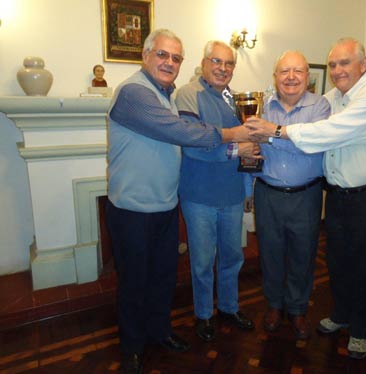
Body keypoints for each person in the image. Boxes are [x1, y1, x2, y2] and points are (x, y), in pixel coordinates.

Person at [106, 29, 252, 374]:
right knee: (133, 282)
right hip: (131, 209)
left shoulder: (167, 94)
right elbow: (182, 134)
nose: (169, 62)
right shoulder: (133, 93)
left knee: (161, 277)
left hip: (165, 205)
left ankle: (159, 333)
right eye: (162, 55)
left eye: (175, 57)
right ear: (145, 56)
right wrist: (233, 137)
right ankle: (132, 348)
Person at [245, 37, 366, 359]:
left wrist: (275, 132)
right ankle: (340, 314)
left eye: (345, 63)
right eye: (333, 65)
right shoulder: (333, 98)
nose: (338, 70)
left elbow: (322, 136)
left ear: (362, 65)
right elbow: (248, 147)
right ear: (275, 76)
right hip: (338, 195)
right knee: (337, 261)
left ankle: (360, 329)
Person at [175, 40, 259, 343]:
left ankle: (228, 307)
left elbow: (251, 145)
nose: (223, 69)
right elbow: (194, 144)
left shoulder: (236, 100)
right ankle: (203, 315)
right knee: (201, 261)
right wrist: (237, 148)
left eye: (229, 64)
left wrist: (249, 187)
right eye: (217, 62)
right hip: (199, 195)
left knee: (232, 257)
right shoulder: (187, 94)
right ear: (204, 61)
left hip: (233, 194)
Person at [252, 51, 330, 339]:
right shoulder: (262, 105)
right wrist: (250, 187)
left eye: (298, 71)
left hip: (306, 196)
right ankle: (274, 305)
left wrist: (272, 134)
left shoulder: (320, 106)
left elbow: (311, 144)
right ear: (275, 76)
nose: (291, 77)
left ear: (307, 77)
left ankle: (297, 309)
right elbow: (253, 150)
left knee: (303, 255)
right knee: (270, 255)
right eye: (284, 71)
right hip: (267, 194)